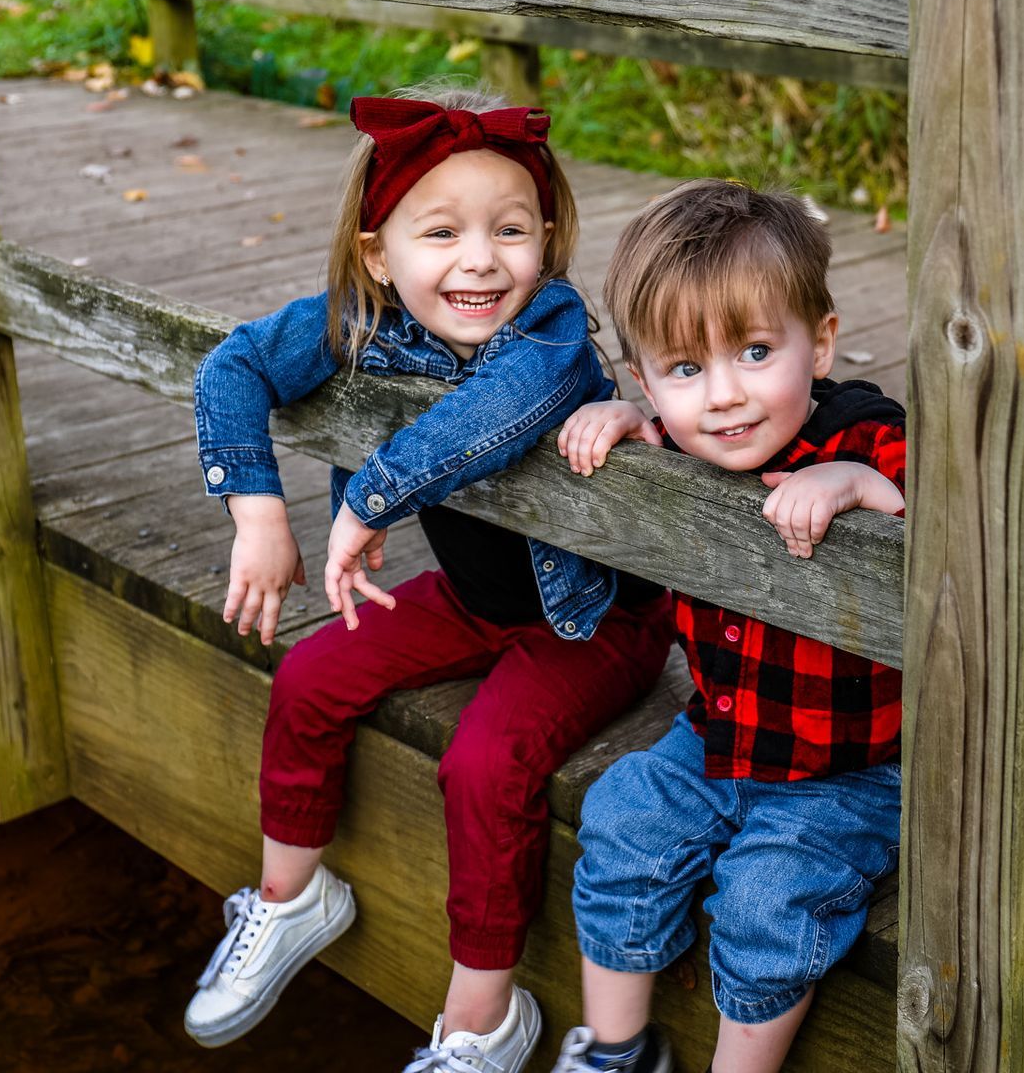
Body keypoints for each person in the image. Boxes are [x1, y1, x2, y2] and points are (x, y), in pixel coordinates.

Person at [187, 84, 674, 1073]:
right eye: (440, 231)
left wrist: (366, 502)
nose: (479, 258)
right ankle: (291, 899)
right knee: (310, 675)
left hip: (592, 621)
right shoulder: (364, 317)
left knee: (484, 763)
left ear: (547, 238)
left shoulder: (548, 334)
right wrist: (259, 512)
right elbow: (232, 367)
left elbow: (484, 418)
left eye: (510, 228)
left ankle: (480, 1019)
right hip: (472, 600)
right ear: (379, 252)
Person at [551, 180, 907, 1073]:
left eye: (755, 351)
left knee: (765, 897)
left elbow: (972, 517)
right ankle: (614, 1051)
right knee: (622, 817)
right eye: (682, 371)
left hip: (854, 765)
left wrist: (866, 490)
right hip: (717, 733)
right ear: (645, 380)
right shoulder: (674, 435)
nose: (723, 398)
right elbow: (656, 425)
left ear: (819, 342)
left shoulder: (868, 437)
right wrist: (625, 422)